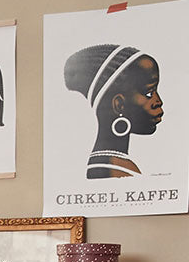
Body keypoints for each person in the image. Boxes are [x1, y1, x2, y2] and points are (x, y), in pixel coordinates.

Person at [63, 43, 163, 178]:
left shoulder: (110, 165)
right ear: (119, 105)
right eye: (149, 92)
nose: (158, 102)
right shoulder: (116, 171)